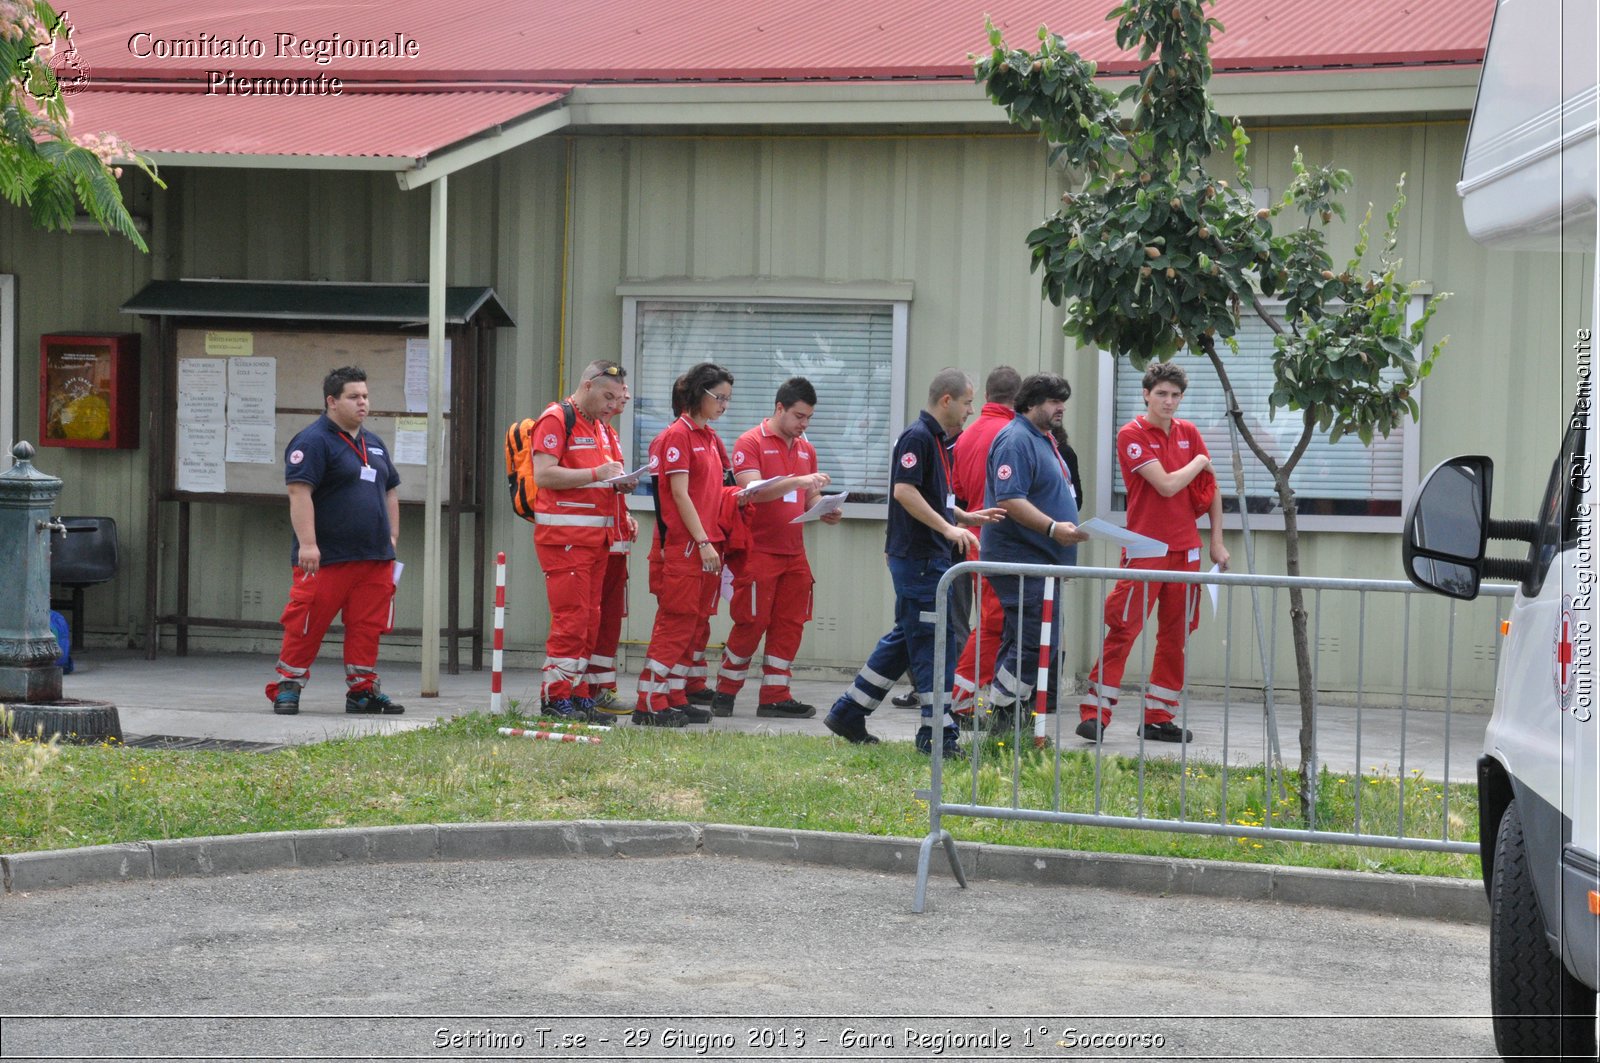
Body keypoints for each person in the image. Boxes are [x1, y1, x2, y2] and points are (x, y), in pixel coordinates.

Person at [823, 368, 1005, 758]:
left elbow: (930, 495)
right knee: (934, 643)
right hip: (919, 559)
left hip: (928, 556)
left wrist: (964, 519)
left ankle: (849, 712)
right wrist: (947, 528)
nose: (971, 411)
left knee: (908, 638)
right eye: (968, 402)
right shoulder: (918, 437)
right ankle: (938, 736)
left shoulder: (939, 441)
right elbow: (904, 491)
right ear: (946, 400)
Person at [1078, 361, 1229, 743]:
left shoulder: (1189, 432)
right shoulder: (1132, 433)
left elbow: (1211, 490)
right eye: (1162, 393)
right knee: (1123, 629)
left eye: (1176, 395)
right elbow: (1165, 485)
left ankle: (1159, 717)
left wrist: (1216, 541)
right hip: (1145, 547)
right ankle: (1095, 714)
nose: (1169, 401)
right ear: (1146, 394)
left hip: (1188, 550)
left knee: (1176, 636)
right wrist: (1198, 461)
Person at [266, 366, 404, 716]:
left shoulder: (373, 443)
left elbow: (390, 491)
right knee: (305, 623)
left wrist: (391, 535)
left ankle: (362, 692)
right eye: (353, 397)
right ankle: (288, 686)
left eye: (365, 396)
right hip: (326, 557)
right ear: (331, 401)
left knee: (368, 628)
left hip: (373, 558)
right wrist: (308, 544)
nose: (363, 403)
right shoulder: (313, 441)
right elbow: (299, 492)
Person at [712, 377, 841, 719]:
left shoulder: (805, 448)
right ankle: (725, 692)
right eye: (799, 416)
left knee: (790, 623)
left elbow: (806, 497)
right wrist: (799, 482)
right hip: (758, 550)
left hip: (793, 552)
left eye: (809, 418)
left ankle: (775, 695)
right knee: (751, 622)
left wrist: (824, 507)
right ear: (779, 408)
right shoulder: (750, 442)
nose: (804, 424)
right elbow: (750, 490)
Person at [980, 373, 1090, 726]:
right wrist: (1053, 528)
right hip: (1020, 559)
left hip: (1040, 561)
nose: (1061, 408)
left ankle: (1011, 714)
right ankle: (1000, 708)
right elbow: (1010, 498)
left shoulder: (1043, 439)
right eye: (1054, 402)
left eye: (1063, 402)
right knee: (1035, 641)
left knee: (1025, 639)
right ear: (1031, 404)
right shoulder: (1016, 439)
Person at [636, 362, 735, 726]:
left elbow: (716, 490)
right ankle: (649, 701)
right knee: (675, 623)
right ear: (699, 394)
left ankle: (673, 694)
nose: (724, 405)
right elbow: (679, 495)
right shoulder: (676, 436)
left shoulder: (708, 437)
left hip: (706, 545)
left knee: (693, 627)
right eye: (719, 397)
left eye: (727, 399)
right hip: (686, 546)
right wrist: (703, 540)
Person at [530, 360, 629, 718]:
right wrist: (597, 473)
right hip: (566, 540)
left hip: (596, 540)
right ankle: (555, 697)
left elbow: (599, 480)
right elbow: (543, 475)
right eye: (607, 395)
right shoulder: (557, 418)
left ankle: (578, 692)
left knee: (589, 620)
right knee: (572, 620)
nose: (612, 404)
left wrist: (617, 485)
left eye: (617, 398)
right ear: (586, 385)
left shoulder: (600, 427)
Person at [944, 365, 1022, 719]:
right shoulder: (1014, 434)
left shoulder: (965, 437)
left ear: (987, 396)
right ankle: (962, 698)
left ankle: (984, 699)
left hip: (974, 538)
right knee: (995, 626)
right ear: (1018, 399)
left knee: (993, 623)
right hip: (1003, 539)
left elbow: (958, 490)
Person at [581, 377, 639, 718]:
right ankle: (583, 689)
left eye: (625, 394)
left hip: (616, 537)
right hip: (593, 540)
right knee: (591, 616)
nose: (624, 399)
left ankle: (603, 687)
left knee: (610, 617)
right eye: (616, 394)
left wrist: (627, 509)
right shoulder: (579, 428)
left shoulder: (609, 433)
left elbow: (610, 486)